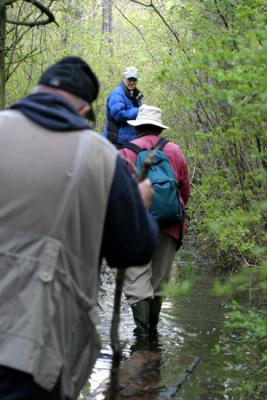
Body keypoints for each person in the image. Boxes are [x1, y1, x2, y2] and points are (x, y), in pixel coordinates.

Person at [0, 57, 158, 400]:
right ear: (85, 108)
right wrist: (140, 205)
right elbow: (132, 249)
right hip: (32, 352)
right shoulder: (100, 157)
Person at [119, 105, 190, 337]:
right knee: (159, 282)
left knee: (137, 279)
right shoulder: (175, 151)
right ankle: (154, 334)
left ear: (137, 127)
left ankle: (142, 337)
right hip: (169, 226)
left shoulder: (126, 153)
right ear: (159, 128)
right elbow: (184, 191)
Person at [103, 66, 143, 148]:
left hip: (130, 140)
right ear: (123, 78)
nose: (132, 82)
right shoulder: (117, 94)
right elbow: (119, 115)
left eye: (134, 79)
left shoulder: (134, 94)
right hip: (117, 141)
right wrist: (138, 111)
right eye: (129, 79)